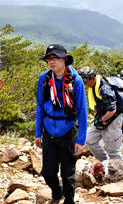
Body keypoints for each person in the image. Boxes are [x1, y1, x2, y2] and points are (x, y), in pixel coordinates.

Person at [35, 44, 87, 204]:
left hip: (68, 130)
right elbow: (39, 106)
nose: (52, 61)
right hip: (49, 129)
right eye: (49, 58)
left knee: (68, 173)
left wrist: (81, 139)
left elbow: (82, 111)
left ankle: (69, 201)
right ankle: (57, 193)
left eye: (55, 58)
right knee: (48, 172)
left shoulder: (76, 81)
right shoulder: (44, 79)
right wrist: (38, 133)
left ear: (64, 59)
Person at [78, 67, 123, 162]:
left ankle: (120, 172)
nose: (85, 84)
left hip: (113, 118)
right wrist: (99, 118)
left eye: (85, 82)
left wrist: (102, 120)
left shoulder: (104, 88)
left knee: (113, 151)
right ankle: (105, 162)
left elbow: (112, 109)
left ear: (92, 78)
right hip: (102, 115)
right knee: (90, 140)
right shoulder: (94, 86)